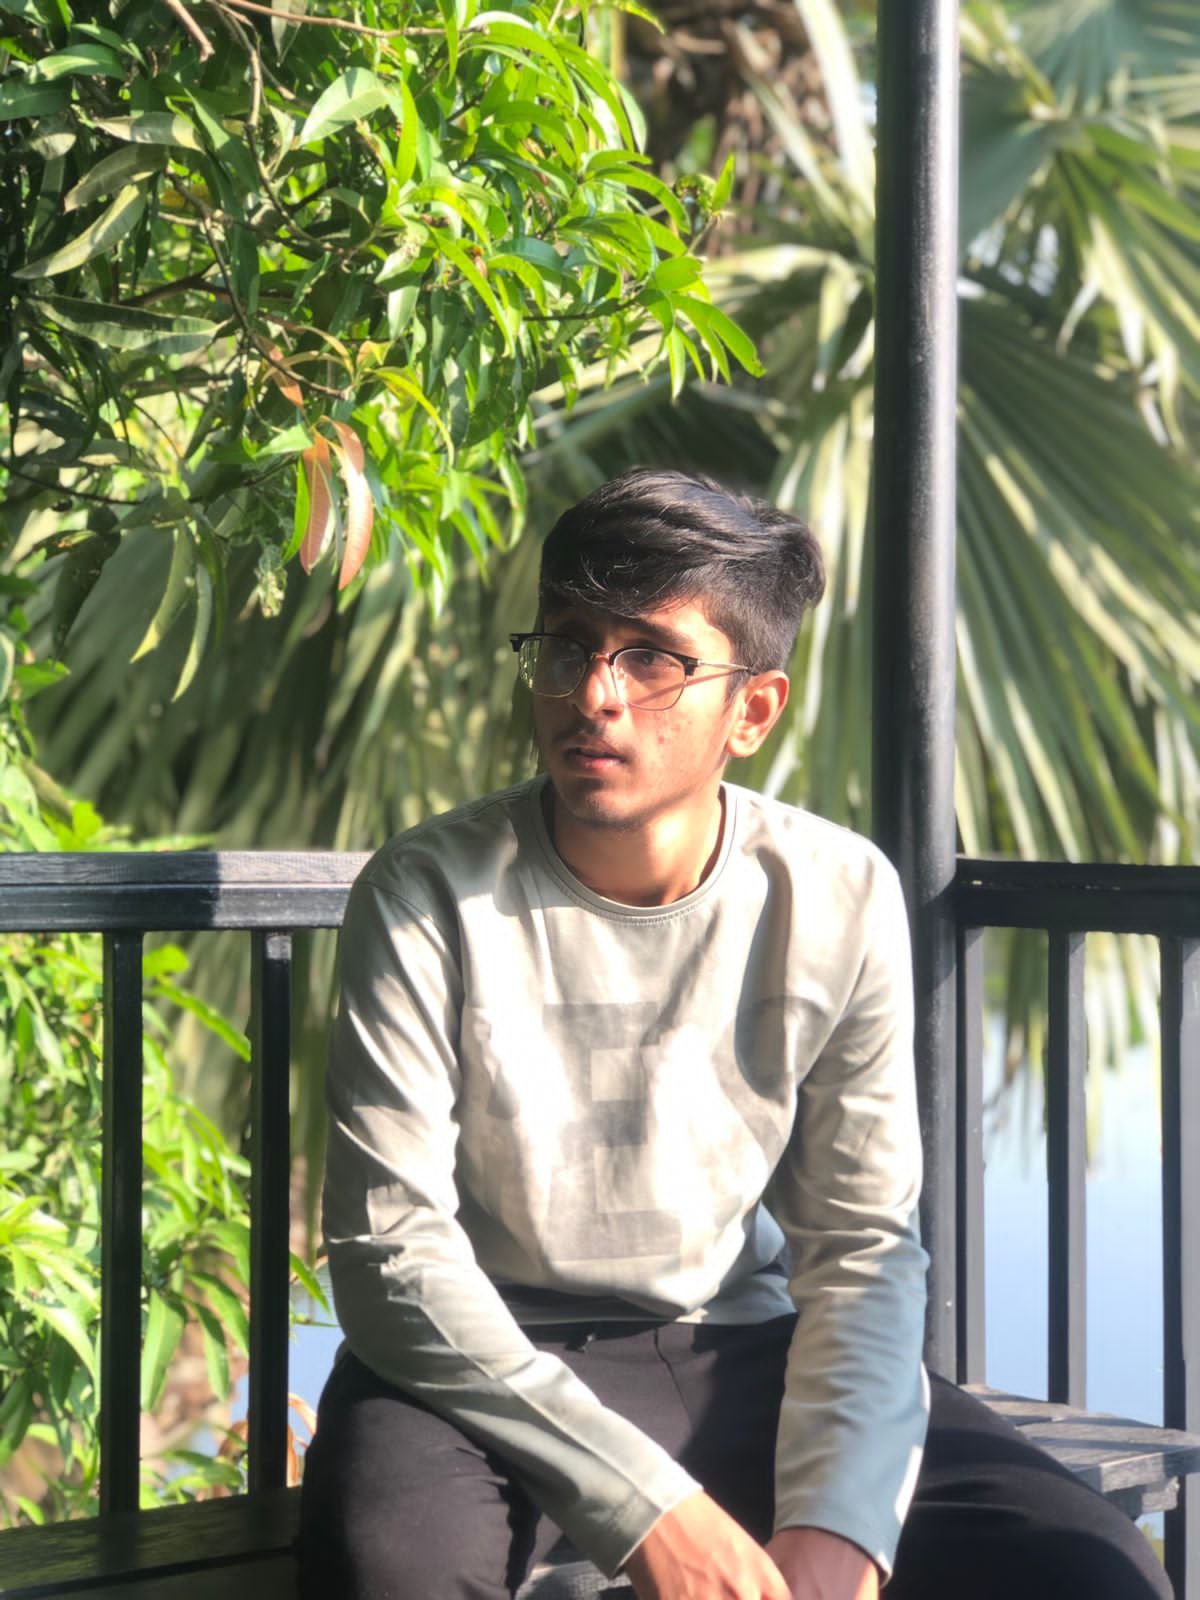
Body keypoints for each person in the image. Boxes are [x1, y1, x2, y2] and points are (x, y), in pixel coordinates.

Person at [297, 470, 1171, 1600]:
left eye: (652, 659)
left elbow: (862, 1247)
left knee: (1091, 1569)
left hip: (738, 1347)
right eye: (568, 647)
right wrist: (651, 1513)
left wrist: (840, 1524)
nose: (595, 694)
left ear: (752, 712)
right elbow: (392, 1254)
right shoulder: (427, 892)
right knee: (390, 1574)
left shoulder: (836, 891)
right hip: (476, 1360)